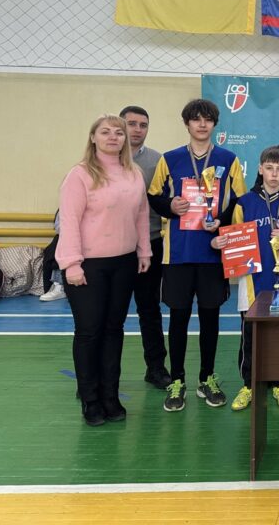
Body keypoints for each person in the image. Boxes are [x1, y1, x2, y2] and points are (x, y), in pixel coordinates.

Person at [147, 99, 247, 413]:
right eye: (196, 119)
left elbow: (240, 201)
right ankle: (177, 379)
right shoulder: (170, 159)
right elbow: (154, 197)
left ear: (214, 124)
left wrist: (223, 221)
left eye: (207, 119)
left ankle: (207, 377)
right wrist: (170, 206)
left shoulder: (228, 159)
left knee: (210, 318)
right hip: (177, 254)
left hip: (212, 252)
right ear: (187, 123)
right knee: (178, 318)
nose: (202, 125)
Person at [56, 114, 151, 426]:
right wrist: (71, 263)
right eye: (106, 132)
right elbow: (69, 221)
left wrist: (144, 250)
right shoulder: (80, 175)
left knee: (113, 330)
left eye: (118, 133)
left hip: (123, 263)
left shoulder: (134, 173)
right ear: (93, 137)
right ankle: (90, 399)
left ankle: (110, 395)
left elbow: (141, 215)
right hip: (88, 266)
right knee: (89, 331)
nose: (113, 137)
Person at [219, 147, 279, 412]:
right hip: (252, 278)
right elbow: (235, 240)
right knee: (249, 333)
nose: (274, 174)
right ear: (260, 169)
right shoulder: (244, 203)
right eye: (269, 168)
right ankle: (249, 383)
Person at [119, 105, 170, 390]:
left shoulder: (157, 161)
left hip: (150, 244)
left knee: (149, 309)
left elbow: (164, 201)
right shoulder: (101, 162)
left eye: (143, 125)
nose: (137, 129)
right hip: (112, 249)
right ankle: (98, 375)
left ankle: (156, 367)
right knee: (109, 314)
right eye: (132, 123)